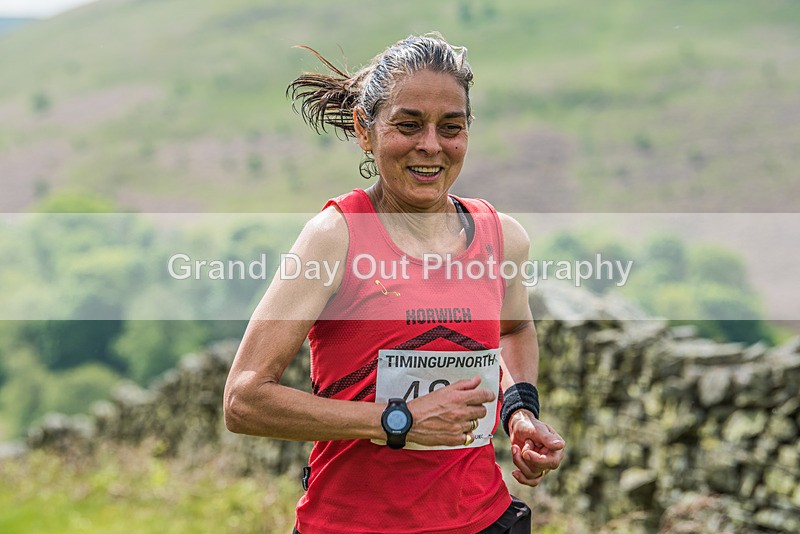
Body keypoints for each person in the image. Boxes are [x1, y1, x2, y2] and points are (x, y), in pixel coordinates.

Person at [223, 33, 565, 534]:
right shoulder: (334, 236)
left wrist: (519, 413)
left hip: (482, 520)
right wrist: (398, 419)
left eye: (451, 127)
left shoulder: (502, 237)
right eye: (408, 125)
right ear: (366, 130)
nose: (431, 145)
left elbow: (510, 333)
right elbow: (244, 400)